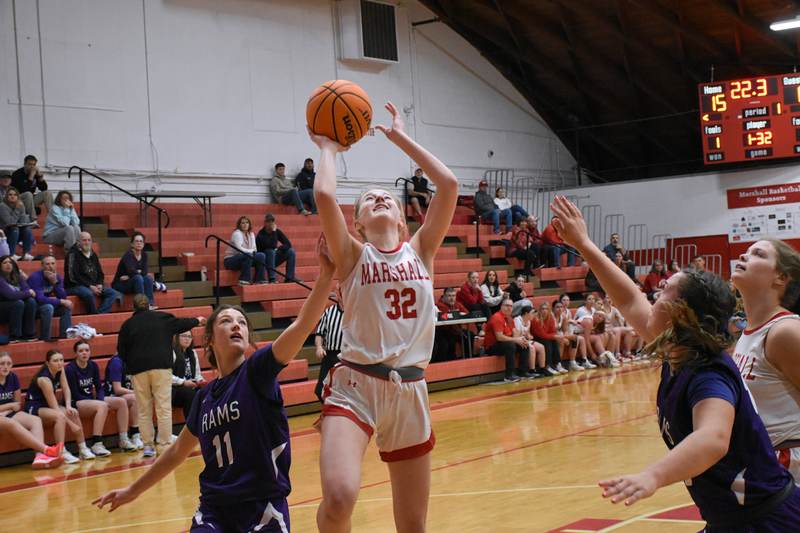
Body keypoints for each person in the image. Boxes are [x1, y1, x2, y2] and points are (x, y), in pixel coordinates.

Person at [551, 195, 800, 528]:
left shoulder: (712, 369)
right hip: (738, 509)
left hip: (769, 509)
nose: (652, 297)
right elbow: (628, 299)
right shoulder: (680, 352)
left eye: (663, 292)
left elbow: (713, 437)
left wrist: (652, 476)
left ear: (681, 314)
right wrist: (583, 244)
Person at [94, 241, 336, 532]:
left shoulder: (257, 371)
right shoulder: (204, 397)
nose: (236, 325)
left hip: (262, 506)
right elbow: (177, 452)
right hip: (214, 510)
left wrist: (325, 276)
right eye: (226, 321)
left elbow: (302, 325)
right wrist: (132, 491)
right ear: (208, 340)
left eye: (242, 322)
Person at [310, 101, 458, 532]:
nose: (379, 198)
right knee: (340, 498)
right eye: (368, 199)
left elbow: (448, 185)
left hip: (410, 390)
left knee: (413, 526)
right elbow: (324, 196)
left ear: (402, 220)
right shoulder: (353, 255)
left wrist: (399, 138)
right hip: (356, 384)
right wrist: (328, 148)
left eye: (387, 198)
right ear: (357, 223)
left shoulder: (421, 250)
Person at [731, 238, 800, 484]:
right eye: (746, 251)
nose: (743, 256)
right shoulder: (749, 333)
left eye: (758, 254)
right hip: (763, 462)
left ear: (781, 277)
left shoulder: (785, 331)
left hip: (789, 465)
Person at [117, 294, 205, 458]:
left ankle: (148, 446)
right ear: (149, 305)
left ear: (133, 307)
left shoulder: (128, 325)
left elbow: (121, 351)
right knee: (163, 408)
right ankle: (164, 445)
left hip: (139, 370)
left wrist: (132, 363)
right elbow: (182, 323)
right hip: (161, 368)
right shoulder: (162, 318)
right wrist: (197, 320)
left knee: (144, 409)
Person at [66, 340, 136, 455]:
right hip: (77, 402)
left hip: (91, 400)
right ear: (76, 354)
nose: (84, 353)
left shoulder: (93, 365)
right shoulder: (70, 369)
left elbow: (99, 387)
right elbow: (74, 393)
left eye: (87, 350)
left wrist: (99, 399)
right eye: (81, 351)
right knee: (102, 406)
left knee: (121, 402)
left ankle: (124, 439)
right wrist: (96, 402)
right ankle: (97, 443)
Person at [26, 349, 92, 464]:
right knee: (59, 417)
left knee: (73, 412)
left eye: (61, 360)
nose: (60, 363)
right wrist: (71, 425)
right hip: (35, 406)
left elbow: (66, 388)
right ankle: (61, 452)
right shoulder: (44, 379)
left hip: (48, 405)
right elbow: (55, 407)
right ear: (48, 363)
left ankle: (83, 448)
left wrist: (68, 406)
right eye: (55, 361)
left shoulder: (60, 370)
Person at [0, 352, 64, 468]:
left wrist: (7, 410)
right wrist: (8, 406)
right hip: (5, 414)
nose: (5, 366)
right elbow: (13, 405)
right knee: (11, 423)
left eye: (8, 364)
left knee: (35, 420)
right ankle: (46, 449)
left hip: (8, 413)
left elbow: (17, 404)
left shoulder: (13, 377)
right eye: (2, 363)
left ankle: (39, 457)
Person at [64, 231, 121, 314]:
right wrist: (90, 286)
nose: (87, 242)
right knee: (89, 294)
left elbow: (100, 273)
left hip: (93, 286)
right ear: (78, 242)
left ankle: (100, 314)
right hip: (74, 286)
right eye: (84, 240)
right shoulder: (72, 254)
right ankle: (93, 314)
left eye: (89, 240)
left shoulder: (93, 254)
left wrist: (100, 283)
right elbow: (72, 277)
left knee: (112, 293)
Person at [27, 255, 73, 341]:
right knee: (48, 307)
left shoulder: (57, 277)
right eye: (47, 264)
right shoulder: (35, 277)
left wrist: (55, 283)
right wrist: (61, 301)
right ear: (42, 266)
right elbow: (40, 299)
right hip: (33, 307)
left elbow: (63, 297)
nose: (50, 266)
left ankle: (64, 337)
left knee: (66, 307)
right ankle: (45, 338)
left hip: (46, 305)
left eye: (53, 263)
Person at [484, 298, 530, 382]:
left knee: (524, 344)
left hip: (504, 343)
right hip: (492, 346)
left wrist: (520, 339)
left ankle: (523, 372)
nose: (509, 308)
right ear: (501, 306)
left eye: (511, 306)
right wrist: (515, 340)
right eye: (507, 305)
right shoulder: (497, 317)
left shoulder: (509, 318)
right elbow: (499, 337)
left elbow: (515, 332)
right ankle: (509, 375)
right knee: (510, 345)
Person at [104, 353, 142, 450]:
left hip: (125, 395)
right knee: (135, 398)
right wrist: (136, 392)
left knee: (139, 397)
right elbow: (117, 389)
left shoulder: (134, 360)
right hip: (111, 396)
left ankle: (136, 436)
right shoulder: (116, 362)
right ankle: (126, 438)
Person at [0, 255, 38, 342]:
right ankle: (15, 335)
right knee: (18, 303)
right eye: (5, 263)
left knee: (31, 301)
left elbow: (27, 289)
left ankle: (29, 334)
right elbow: (10, 295)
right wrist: (27, 293)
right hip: (2, 308)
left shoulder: (18, 276)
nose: (8, 265)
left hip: (15, 307)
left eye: (10, 262)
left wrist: (26, 293)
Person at [314, 293, 344, 402]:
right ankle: (330, 409)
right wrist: (319, 347)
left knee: (343, 391)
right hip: (330, 355)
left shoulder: (355, 312)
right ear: (338, 295)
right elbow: (319, 333)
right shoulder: (329, 311)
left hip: (346, 357)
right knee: (319, 390)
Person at [113, 232, 155, 307]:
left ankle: (150, 304)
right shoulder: (128, 255)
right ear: (132, 244)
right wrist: (136, 273)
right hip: (121, 284)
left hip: (133, 281)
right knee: (138, 278)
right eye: (136, 241)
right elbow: (131, 271)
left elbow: (145, 272)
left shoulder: (144, 255)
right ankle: (141, 306)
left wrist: (130, 276)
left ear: (143, 244)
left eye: (141, 241)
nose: (139, 243)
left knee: (148, 278)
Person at [224, 216, 267, 286]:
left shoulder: (251, 234)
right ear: (239, 225)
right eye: (243, 223)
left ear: (249, 224)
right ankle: (244, 280)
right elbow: (239, 249)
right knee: (248, 255)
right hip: (231, 260)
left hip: (246, 258)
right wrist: (251, 252)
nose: (245, 224)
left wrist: (251, 252)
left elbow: (255, 249)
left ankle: (259, 279)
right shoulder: (237, 233)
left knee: (261, 255)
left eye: (247, 222)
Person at [171, 331, 205, 418]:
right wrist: (183, 382)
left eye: (189, 337)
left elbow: (197, 375)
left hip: (190, 387)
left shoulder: (192, 353)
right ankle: (191, 424)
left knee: (207, 391)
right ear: (177, 337)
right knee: (190, 394)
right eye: (184, 336)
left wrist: (201, 381)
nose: (187, 339)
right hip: (174, 390)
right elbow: (166, 376)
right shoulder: (172, 352)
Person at [433, 287, 471, 362]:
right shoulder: (439, 305)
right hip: (443, 331)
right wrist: (457, 314)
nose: (452, 298)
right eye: (449, 296)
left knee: (469, 335)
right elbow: (445, 316)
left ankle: (468, 360)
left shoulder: (457, 304)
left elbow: (467, 313)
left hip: (455, 330)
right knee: (448, 341)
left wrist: (458, 314)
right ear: (444, 297)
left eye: (453, 296)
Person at [256, 214, 296, 283]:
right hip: (264, 260)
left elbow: (288, 244)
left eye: (272, 221)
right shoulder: (261, 234)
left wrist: (280, 248)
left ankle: (289, 277)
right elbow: (272, 245)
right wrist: (274, 232)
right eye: (268, 221)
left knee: (291, 251)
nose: (270, 223)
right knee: (270, 251)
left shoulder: (277, 231)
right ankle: (272, 278)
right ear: (264, 223)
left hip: (274, 258)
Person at [512, 302, 547, 377]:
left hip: (524, 339)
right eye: (532, 313)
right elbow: (516, 336)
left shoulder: (528, 322)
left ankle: (542, 369)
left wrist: (530, 336)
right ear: (526, 313)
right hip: (516, 340)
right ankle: (532, 370)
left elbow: (528, 334)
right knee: (531, 347)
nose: (533, 315)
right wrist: (526, 337)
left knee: (541, 347)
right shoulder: (517, 320)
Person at [532, 301, 567, 374]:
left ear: (549, 310)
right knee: (547, 342)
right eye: (543, 309)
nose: (544, 311)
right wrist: (554, 336)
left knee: (554, 341)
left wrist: (554, 336)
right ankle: (548, 366)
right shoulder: (536, 319)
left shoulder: (550, 318)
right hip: (536, 338)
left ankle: (557, 364)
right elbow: (542, 335)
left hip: (546, 336)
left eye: (546, 309)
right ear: (539, 310)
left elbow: (553, 331)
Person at [0, 187, 34, 261]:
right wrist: (18, 210)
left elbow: (23, 221)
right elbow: (10, 222)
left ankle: (26, 253)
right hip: (5, 233)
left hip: (15, 232)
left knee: (27, 229)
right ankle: (11, 254)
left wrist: (22, 208)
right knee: (15, 229)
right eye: (10, 195)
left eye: (15, 195)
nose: (13, 196)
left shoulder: (20, 205)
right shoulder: (2, 206)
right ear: (6, 196)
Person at [553, 299, 585, 371]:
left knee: (575, 338)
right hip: (552, 335)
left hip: (559, 335)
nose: (560, 309)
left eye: (561, 307)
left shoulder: (563, 316)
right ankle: (558, 364)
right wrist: (564, 338)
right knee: (562, 341)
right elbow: (552, 332)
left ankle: (572, 362)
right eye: (557, 307)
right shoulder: (551, 317)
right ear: (553, 309)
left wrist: (567, 337)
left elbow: (565, 331)